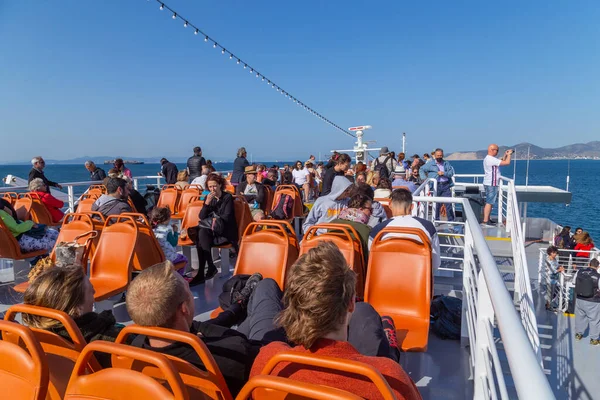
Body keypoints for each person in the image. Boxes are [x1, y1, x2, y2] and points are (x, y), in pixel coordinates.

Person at [250, 241, 422, 400]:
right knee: (367, 312)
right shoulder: (388, 379)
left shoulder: (268, 363)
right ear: (351, 304)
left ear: (294, 304)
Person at [126, 262, 285, 395]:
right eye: (188, 291)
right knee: (267, 287)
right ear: (184, 308)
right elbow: (255, 350)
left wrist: (234, 310)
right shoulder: (232, 355)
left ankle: (242, 303)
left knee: (253, 314)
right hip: (261, 353)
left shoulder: (134, 352)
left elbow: (199, 326)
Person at [23, 266, 124, 366]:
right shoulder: (110, 342)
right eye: (90, 290)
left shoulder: (30, 339)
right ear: (76, 309)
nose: (94, 292)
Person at [369, 188, 441, 273]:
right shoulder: (427, 227)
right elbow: (436, 264)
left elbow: (371, 259)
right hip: (418, 279)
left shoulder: (379, 230)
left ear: (390, 205)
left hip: (386, 277)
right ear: (412, 206)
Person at [191, 173, 238, 285]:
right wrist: (207, 203)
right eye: (210, 187)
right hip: (212, 231)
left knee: (201, 236)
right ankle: (208, 268)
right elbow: (201, 216)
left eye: (215, 186)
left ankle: (203, 272)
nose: (213, 189)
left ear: (220, 185)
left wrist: (212, 219)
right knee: (201, 234)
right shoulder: (209, 198)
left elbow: (226, 217)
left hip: (224, 232)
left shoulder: (227, 197)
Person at [331, 192, 373, 262]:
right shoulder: (366, 230)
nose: (371, 213)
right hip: (355, 267)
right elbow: (368, 258)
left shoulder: (332, 224)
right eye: (370, 210)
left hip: (332, 262)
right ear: (360, 209)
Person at [149, 207, 188, 273]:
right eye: (169, 218)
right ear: (164, 220)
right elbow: (174, 243)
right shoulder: (167, 231)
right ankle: (180, 277)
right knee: (184, 259)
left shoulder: (153, 230)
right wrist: (175, 232)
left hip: (158, 257)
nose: (170, 219)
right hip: (168, 257)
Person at [420, 148, 455, 222]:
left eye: (441, 155)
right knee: (436, 204)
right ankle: (436, 220)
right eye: (438, 155)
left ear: (443, 155)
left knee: (448, 204)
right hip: (436, 186)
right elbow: (421, 169)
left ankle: (451, 221)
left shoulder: (446, 163)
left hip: (446, 185)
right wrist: (424, 178)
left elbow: (451, 173)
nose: (439, 157)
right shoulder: (430, 164)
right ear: (435, 155)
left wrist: (443, 173)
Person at [482, 144, 513, 226]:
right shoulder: (491, 159)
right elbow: (506, 163)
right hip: (492, 183)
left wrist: (505, 155)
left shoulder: (488, 159)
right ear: (492, 150)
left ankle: (487, 219)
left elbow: (501, 160)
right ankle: (485, 220)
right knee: (489, 202)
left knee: (490, 202)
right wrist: (509, 155)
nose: (497, 152)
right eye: (497, 150)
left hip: (488, 182)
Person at [574, 258, 600, 345]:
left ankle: (578, 334)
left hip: (579, 299)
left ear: (589, 265)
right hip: (593, 301)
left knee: (579, 317)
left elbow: (574, 283)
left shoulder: (579, 272)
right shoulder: (598, 276)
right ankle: (594, 339)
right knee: (594, 320)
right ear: (598, 267)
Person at [545, 246, 564, 311]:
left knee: (553, 293)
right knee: (550, 293)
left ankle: (548, 305)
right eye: (553, 253)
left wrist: (560, 266)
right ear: (550, 253)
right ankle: (549, 306)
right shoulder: (548, 260)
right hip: (550, 279)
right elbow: (552, 271)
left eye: (555, 253)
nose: (555, 254)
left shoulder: (554, 259)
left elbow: (557, 265)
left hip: (555, 279)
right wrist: (560, 270)